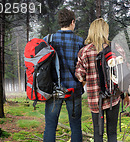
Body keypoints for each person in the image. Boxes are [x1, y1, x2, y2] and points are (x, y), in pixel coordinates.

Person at [75, 18, 130, 142]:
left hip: (95, 99)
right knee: (112, 133)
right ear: (105, 32)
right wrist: (126, 95)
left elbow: (80, 76)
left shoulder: (84, 52)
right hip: (113, 97)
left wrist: (88, 79)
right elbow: (124, 74)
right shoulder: (116, 48)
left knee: (98, 134)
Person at [43, 8, 84, 142]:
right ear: (73, 22)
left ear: (60, 22)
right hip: (74, 90)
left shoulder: (48, 40)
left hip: (53, 91)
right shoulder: (79, 41)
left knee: (50, 126)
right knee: (76, 127)